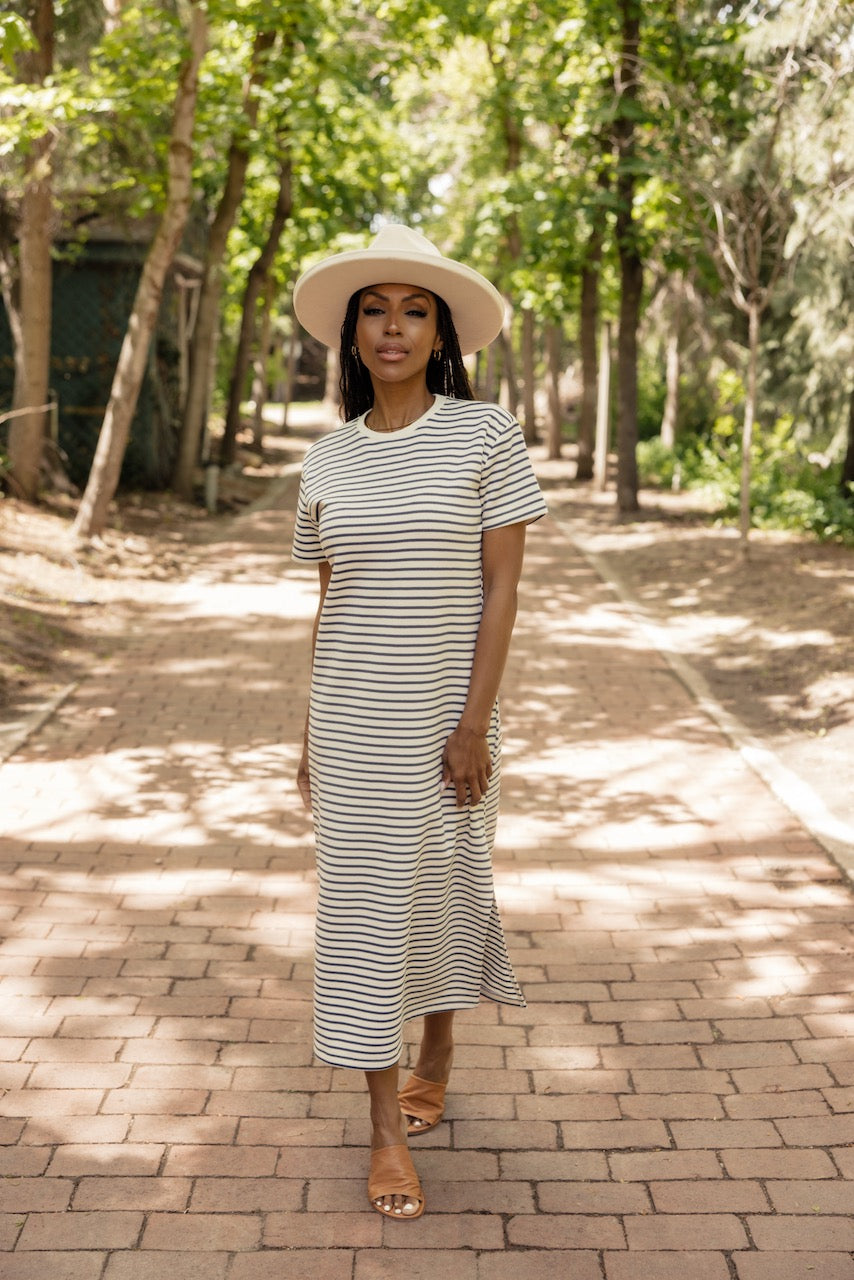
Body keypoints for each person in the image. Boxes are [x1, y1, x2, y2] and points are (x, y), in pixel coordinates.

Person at [291, 223, 547, 1221]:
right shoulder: (324, 460)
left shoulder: (486, 434)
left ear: (438, 331)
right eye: (373, 309)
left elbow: (501, 586)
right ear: (351, 332)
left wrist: (473, 721)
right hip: (351, 725)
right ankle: (384, 1130)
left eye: (412, 310)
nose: (390, 327)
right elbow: (330, 601)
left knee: (439, 892)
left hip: (447, 722)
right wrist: (304, 728)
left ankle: (437, 1047)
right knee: (357, 922)